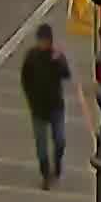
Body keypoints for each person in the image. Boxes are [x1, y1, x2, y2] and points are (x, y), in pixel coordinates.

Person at [21, 25, 76, 187]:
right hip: (38, 108)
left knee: (60, 140)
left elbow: (66, 74)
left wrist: (59, 61)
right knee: (41, 146)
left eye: (45, 41)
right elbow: (25, 79)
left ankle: (58, 163)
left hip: (55, 106)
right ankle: (46, 175)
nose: (42, 43)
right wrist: (30, 99)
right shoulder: (31, 57)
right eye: (40, 40)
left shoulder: (56, 56)